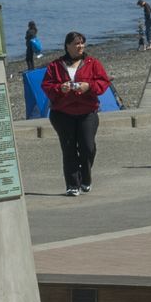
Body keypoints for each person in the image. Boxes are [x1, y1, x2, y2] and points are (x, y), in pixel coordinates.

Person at [41, 31, 111, 196]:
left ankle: (85, 178)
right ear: (67, 46)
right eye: (76, 43)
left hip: (87, 112)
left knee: (88, 147)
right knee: (69, 149)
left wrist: (89, 86)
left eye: (82, 43)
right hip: (62, 114)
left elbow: (103, 81)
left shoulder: (92, 63)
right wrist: (60, 88)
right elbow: (46, 85)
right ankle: (72, 185)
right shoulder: (55, 66)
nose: (80, 46)